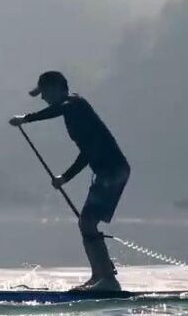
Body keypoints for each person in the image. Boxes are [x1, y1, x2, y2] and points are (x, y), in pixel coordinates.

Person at [9, 71, 130, 291]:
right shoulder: (74, 115)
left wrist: (26, 119)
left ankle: (108, 281)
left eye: (44, 92)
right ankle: (99, 278)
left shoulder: (75, 104)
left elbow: (58, 109)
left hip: (113, 171)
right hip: (106, 172)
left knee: (87, 223)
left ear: (57, 87)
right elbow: (87, 153)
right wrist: (65, 178)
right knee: (85, 223)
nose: (43, 97)